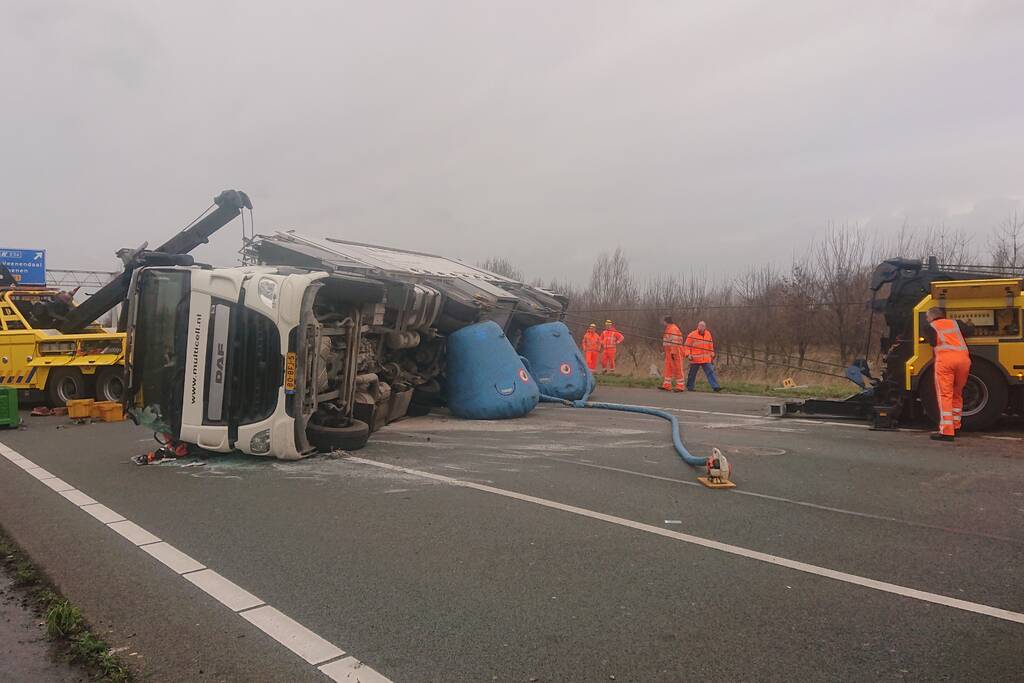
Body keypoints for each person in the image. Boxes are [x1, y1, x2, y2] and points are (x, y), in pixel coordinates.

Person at [922, 306, 972, 441]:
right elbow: (970, 330)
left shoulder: (929, 327)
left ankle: (947, 432)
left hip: (945, 362)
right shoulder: (956, 323)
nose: (927, 319)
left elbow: (932, 342)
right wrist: (969, 323)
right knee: (957, 393)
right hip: (963, 360)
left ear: (932, 316)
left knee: (945, 395)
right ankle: (956, 427)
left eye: (927, 317)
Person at [685, 320, 722, 392]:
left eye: (703, 326)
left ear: (705, 327)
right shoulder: (692, 334)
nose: (701, 327)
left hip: (706, 359)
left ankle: (715, 387)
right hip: (695, 359)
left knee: (710, 372)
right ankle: (690, 387)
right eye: (700, 326)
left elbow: (710, 345)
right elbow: (686, 346)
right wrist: (688, 354)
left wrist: (712, 354)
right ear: (697, 326)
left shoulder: (708, 334)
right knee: (692, 374)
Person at [660, 315, 685, 392]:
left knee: (678, 368)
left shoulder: (673, 329)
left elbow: (675, 341)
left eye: (663, 321)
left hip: (675, 352)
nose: (662, 322)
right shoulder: (669, 328)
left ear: (666, 321)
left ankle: (680, 386)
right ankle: (667, 385)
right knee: (668, 368)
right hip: (669, 352)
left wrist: (673, 352)